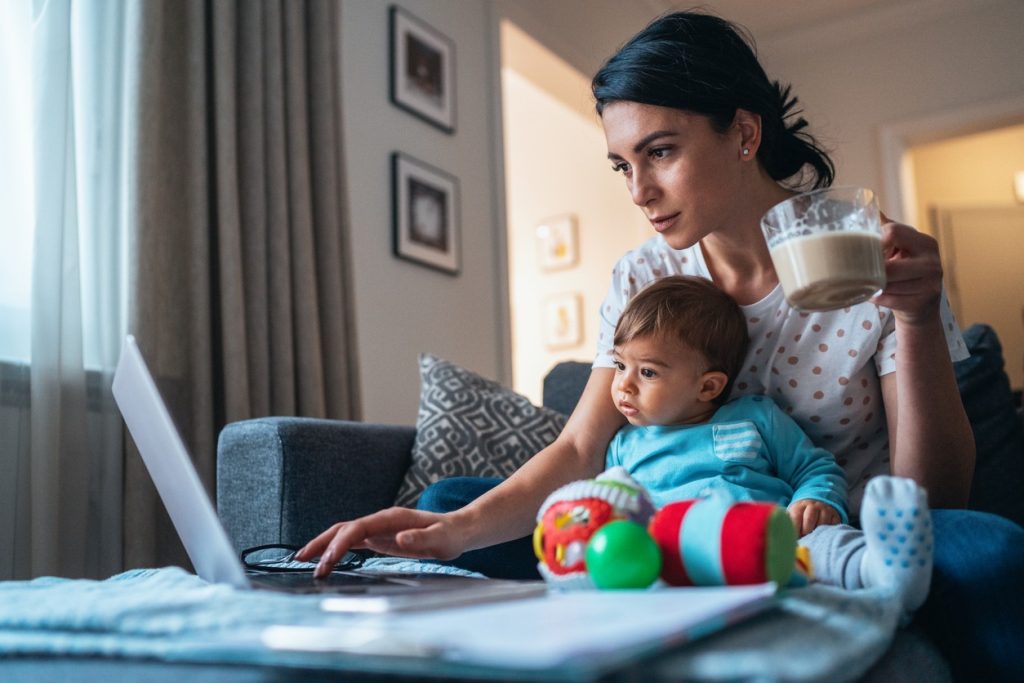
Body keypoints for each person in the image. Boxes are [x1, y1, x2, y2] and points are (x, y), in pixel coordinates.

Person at [298, 11, 1023, 679]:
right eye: (623, 164)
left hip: (836, 539)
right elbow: (581, 451)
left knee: (988, 548)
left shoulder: (868, 251)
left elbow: (932, 496)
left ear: (743, 134)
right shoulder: (646, 273)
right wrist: (448, 530)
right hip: (668, 527)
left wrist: (919, 318)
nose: (638, 190)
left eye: (661, 152)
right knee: (453, 499)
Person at [602, 275, 931, 615]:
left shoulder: (754, 417)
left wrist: (815, 498)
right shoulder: (624, 447)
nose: (624, 385)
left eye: (648, 373)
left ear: (708, 387)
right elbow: (613, 506)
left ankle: (883, 572)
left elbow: (814, 467)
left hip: (775, 541)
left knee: (823, 546)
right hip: (684, 557)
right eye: (620, 365)